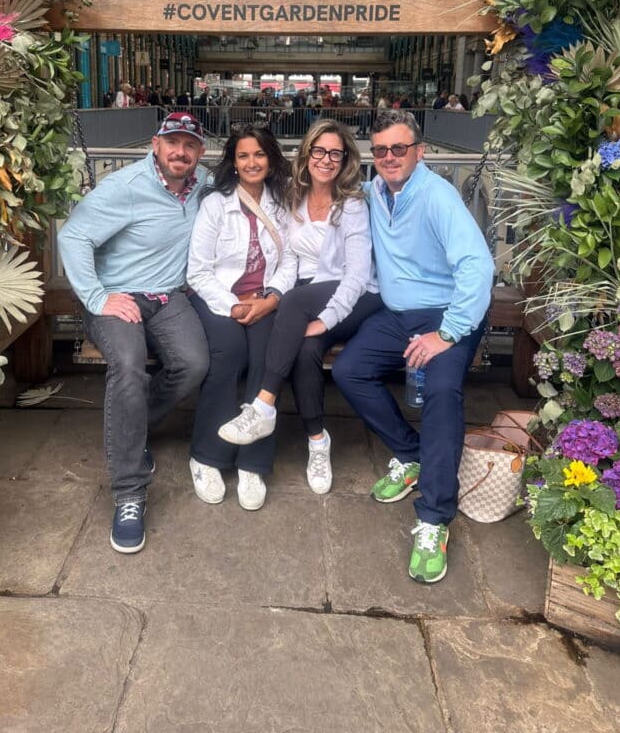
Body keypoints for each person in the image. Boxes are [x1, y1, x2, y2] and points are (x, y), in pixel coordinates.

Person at [332, 109, 493, 584]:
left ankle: (435, 517)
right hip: (399, 315)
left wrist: (447, 333)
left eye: (398, 149)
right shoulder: (373, 193)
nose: (388, 157)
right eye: (380, 150)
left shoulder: (437, 195)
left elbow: (477, 267)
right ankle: (411, 453)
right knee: (349, 371)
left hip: (447, 315)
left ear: (419, 152)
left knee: (443, 392)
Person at [57, 113, 210, 555]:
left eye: (190, 144)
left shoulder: (203, 187)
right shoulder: (123, 188)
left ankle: (132, 429)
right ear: (155, 145)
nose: (180, 151)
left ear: (199, 153)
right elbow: (74, 237)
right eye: (172, 143)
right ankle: (129, 491)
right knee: (127, 367)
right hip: (117, 297)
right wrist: (97, 297)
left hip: (166, 297)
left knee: (194, 364)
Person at [217, 119, 381, 494]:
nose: (326, 159)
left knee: (294, 303)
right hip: (304, 295)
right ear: (307, 154)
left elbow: (356, 275)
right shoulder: (293, 197)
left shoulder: (352, 204)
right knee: (305, 350)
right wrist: (274, 293)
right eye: (319, 151)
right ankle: (318, 440)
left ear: (345, 159)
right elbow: (287, 258)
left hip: (352, 295)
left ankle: (263, 405)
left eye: (334, 153)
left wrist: (325, 320)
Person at [186, 126, 296, 510]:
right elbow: (198, 272)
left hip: (263, 299)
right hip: (219, 299)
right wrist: (232, 305)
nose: (252, 162)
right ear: (234, 162)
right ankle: (207, 456)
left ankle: (253, 463)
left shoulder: (280, 205)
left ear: (271, 160)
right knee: (229, 353)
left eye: (259, 154)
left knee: (266, 357)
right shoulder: (215, 204)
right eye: (244, 155)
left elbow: (290, 260)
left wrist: (272, 298)